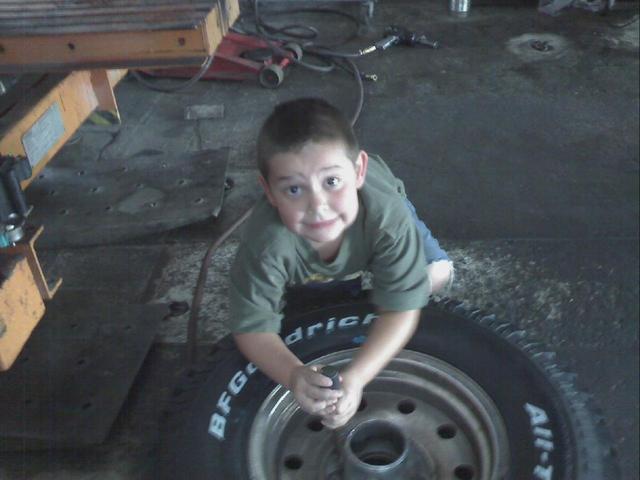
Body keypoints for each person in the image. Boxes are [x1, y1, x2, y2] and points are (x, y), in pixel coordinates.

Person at [228, 97, 453, 429]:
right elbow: (252, 327)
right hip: (315, 254)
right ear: (269, 192)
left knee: (436, 277)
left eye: (332, 182)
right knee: (306, 313)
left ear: (359, 171)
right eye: (293, 189)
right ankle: (349, 287)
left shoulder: (387, 218)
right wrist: (292, 374)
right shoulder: (266, 244)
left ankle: (379, 284)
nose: (317, 206)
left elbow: (402, 310)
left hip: (379, 221)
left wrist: (358, 377)